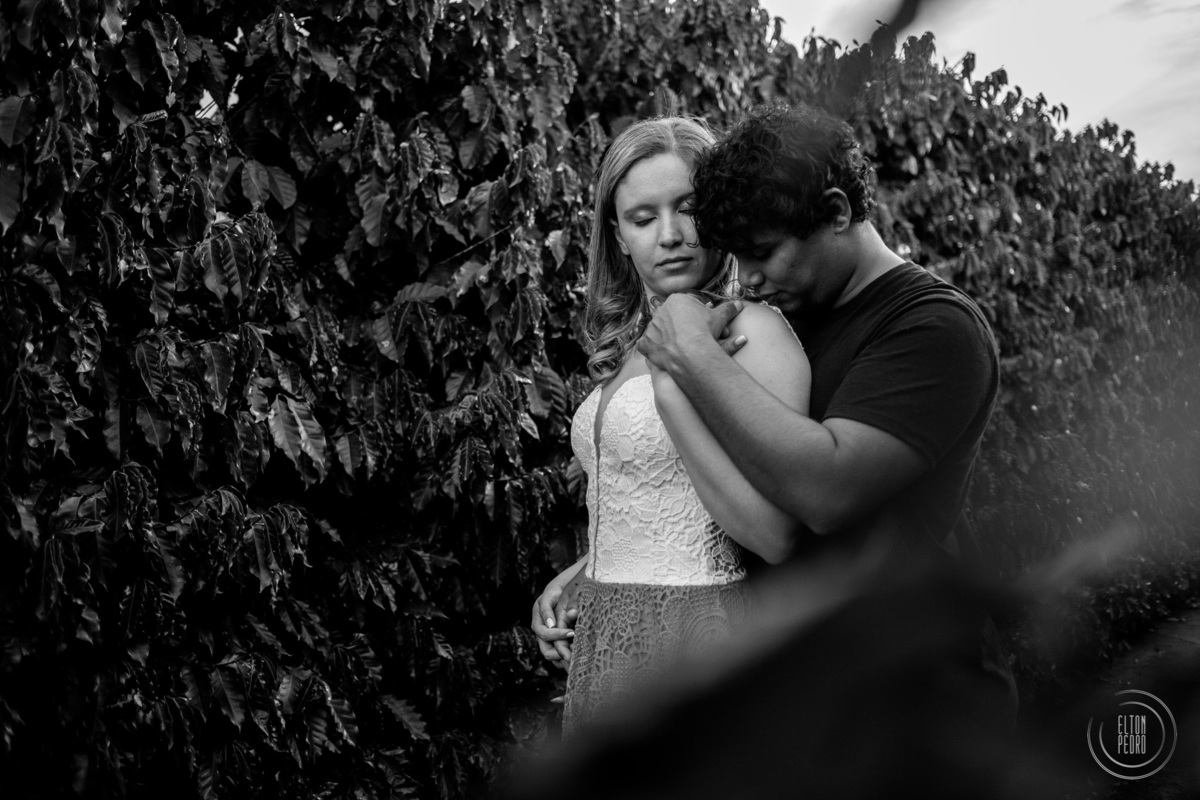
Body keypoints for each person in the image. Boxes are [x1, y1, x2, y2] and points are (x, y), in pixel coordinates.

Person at [635, 102, 1016, 706]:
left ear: (837, 213)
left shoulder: (935, 327)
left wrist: (692, 356)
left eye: (763, 251)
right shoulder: (786, 315)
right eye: (738, 257)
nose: (748, 277)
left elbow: (827, 492)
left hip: (919, 695)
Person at [534, 115, 810, 735]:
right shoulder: (637, 341)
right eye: (642, 218)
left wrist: (674, 387)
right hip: (606, 636)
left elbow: (774, 533)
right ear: (618, 236)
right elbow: (653, 503)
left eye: (688, 209)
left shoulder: (752, 331)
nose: (671, 236)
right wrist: (577, 578)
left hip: (696, 633)